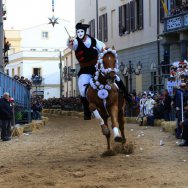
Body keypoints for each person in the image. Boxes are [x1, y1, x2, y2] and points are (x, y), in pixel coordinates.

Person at [67, 22, 131, 120]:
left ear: (84, 32)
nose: (79, 33)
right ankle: (87, 110)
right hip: (85, 70)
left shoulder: (93, 41)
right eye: (78, 32)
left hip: (97, 67)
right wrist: (69, 41)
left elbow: (102, 47)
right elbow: (70, 45)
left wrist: (105, 49)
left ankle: (127, 96)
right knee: (82, 89)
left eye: (81, 31)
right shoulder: (75, 42)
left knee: (116, 78)